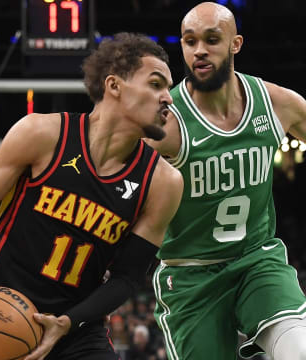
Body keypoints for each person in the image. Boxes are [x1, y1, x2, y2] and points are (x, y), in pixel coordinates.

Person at [0, 32, 184, 360]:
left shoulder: (163, 181)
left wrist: (68, 322)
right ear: (114, 86)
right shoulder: (41, 134)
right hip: (0, 315)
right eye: (156, 84)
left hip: (77, 332)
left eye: (169, 88)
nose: (168, 98)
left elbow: (127, 278)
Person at [146, 2, 306, 360]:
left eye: (211, 39)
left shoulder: (275, 103)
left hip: (256, 260)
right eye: (189, 41)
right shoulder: (165, 123)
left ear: (235, 44)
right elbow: (114, 191)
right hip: (191, 276)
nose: (199, 50)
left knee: (299, 349)